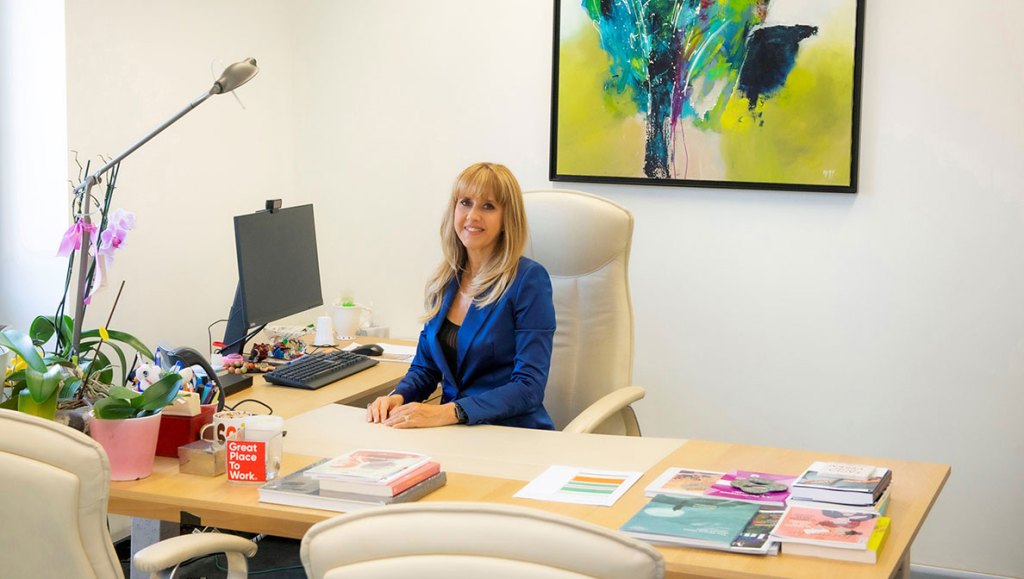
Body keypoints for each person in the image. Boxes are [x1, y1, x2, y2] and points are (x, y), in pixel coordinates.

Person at [366, 162, 556, 429]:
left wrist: (450, 412)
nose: (472, 215)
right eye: (465, 203)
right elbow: (425, 368)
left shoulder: (528, 280)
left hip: (511, 433)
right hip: (455, 433)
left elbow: (529, 387)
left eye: (488, 206)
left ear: (506, 219)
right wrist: (398, 397)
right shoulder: (444, 281)